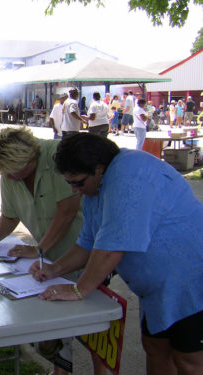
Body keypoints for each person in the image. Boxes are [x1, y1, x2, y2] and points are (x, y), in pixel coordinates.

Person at [35, 133, 203, 375]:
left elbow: (110, 249)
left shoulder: (129, 176)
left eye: (78, 182)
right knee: (155, 349)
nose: (75, 190)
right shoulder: (96, 188)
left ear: (99, 169)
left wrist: (78, 289)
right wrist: (53, 269)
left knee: (188, 360)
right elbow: (88, 244)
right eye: (69, 183)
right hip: (159, 291)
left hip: (191, 281)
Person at [0, 127, 85, 375]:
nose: (11, 178)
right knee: (57, 311)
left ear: (31, 160)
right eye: (6, 173)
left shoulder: (57, 155)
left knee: (91, 318)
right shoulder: (9, 170)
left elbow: (67, 211)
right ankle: (61, 370)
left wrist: (39, 249)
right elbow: (9, 215)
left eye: (16, 172)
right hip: (51, 255)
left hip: (82, 248)